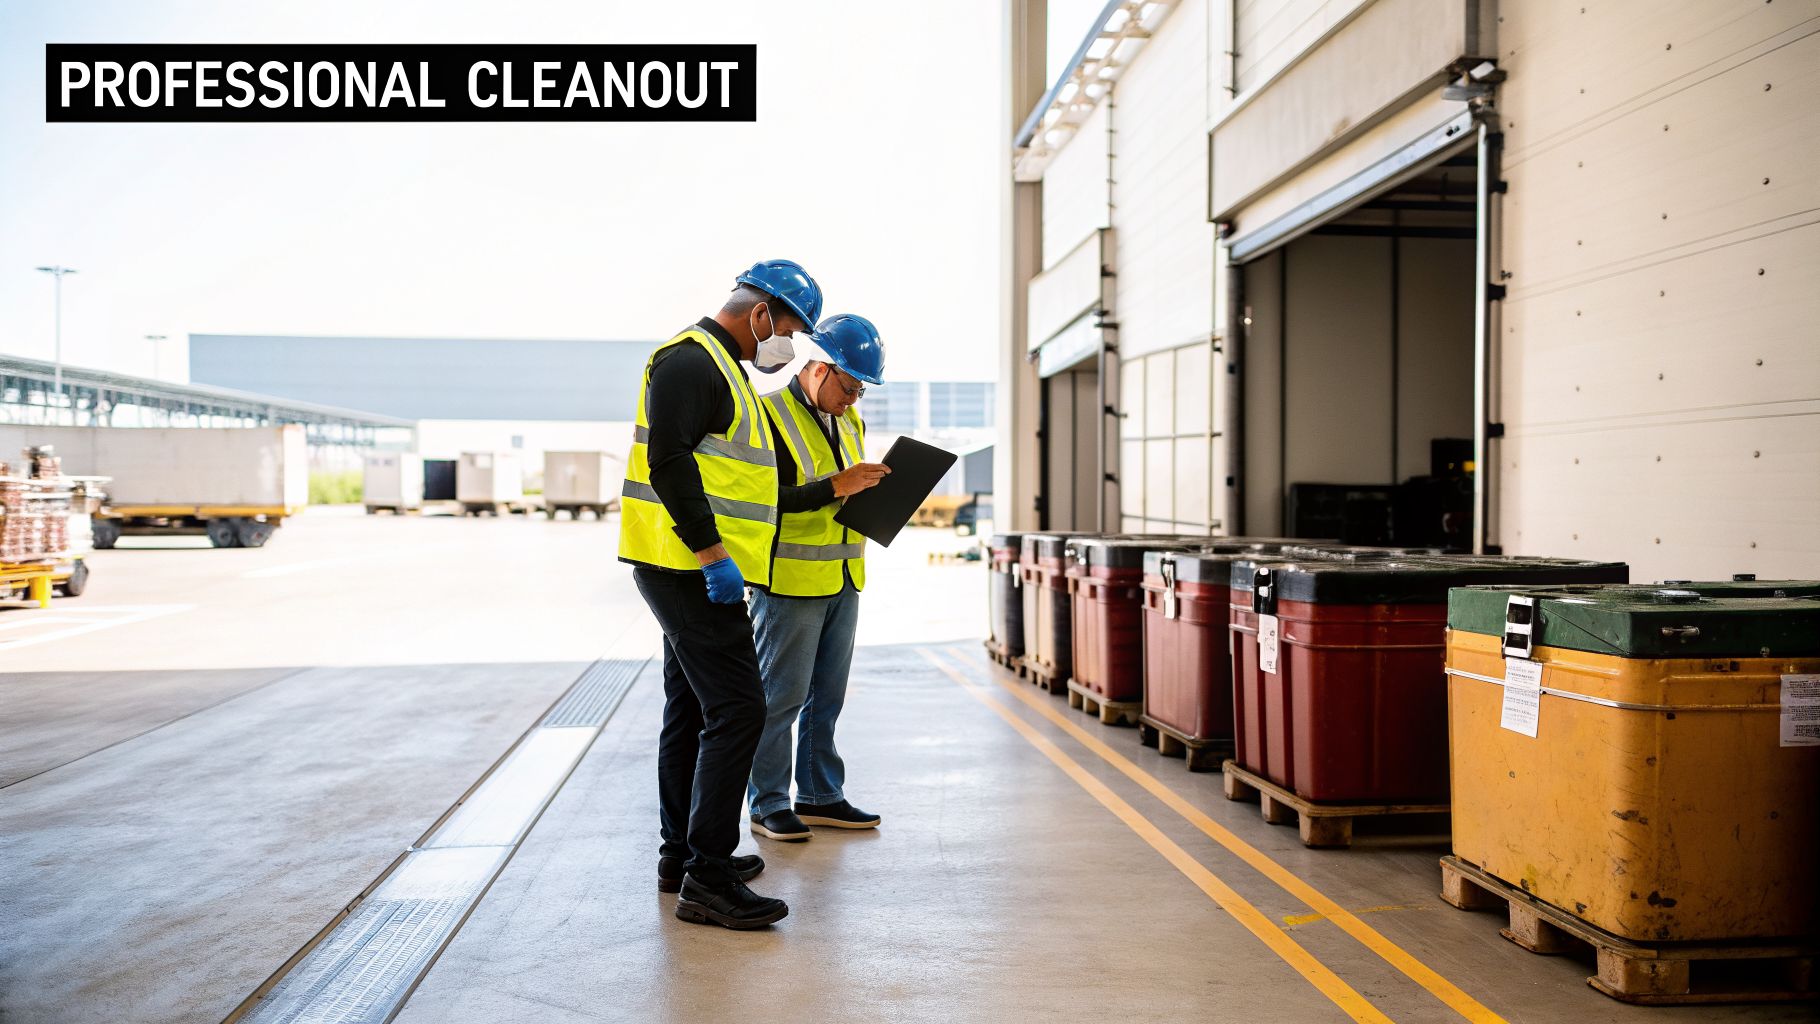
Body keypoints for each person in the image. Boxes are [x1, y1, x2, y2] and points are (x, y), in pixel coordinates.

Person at [617, 259, 819, 930]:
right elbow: (667, 462)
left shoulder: (725, 369)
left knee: (693, 710)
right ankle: (707, 875)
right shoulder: (691, 361)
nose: (787, 343)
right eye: (789, 327)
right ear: (760, 311)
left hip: (693, 567)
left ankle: (683, 857)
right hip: (686, 568)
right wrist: (713, 556)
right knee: (740, 707)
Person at [747, 314, 890, 842]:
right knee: (780, 698)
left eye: (860, 391)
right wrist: (836, 486)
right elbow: (762, 501)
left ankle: (819, 795)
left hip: (844, 572)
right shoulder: (767, 417)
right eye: (849, 387)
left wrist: (875, 491)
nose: (853, 400)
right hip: (789, 582)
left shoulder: (850, 422)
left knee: (827, 695)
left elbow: (843, 488)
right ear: (819, 369)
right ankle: (767, 803)